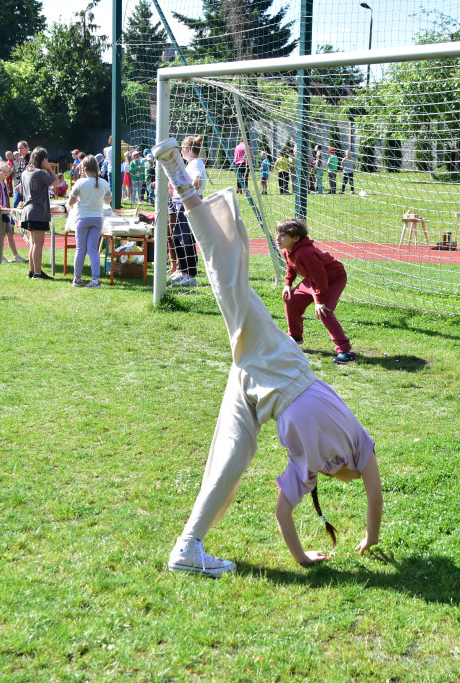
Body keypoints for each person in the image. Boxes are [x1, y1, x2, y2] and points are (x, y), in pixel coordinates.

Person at [151, 138, 383, 576]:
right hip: (274, 360)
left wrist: (302, 556)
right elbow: (374, 493)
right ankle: (179, 179)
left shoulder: (312, 468)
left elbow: (285, 512)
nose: (350, 480)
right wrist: (370, 536)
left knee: (232, 458)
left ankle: (187, 547)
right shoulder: (357, 447)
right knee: (229, 279)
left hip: (256, 385)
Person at [277, 218, 356, 364]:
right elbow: (290, 266)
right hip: (313, 280)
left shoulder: (305, 253)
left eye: (282, 235)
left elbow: (321, 278)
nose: (277, 238)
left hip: (333, 279)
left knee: (324, 311)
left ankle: (345, 351)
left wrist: (319, 301)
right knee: (291, 301)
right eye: (277, 234)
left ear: (295, 238)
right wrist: (288, 283)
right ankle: (295, 338)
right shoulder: (287, 250)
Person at [67, 155, 112, 289]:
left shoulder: (80, 183)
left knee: (80, 249)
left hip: (82, 218)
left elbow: (71, 201)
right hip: (97, 218)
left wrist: (79, 201)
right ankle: (95, 280)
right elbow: (109, 199)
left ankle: (77, 278)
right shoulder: (103, 182)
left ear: (84, 169)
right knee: (93, 250)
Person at [167, 134, 205, 287]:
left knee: (186, 238)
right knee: (177, 235)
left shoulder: (196, 163)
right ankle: (182, 272)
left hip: (187, 203)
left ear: (189, 150)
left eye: (183, 148)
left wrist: (186, 191)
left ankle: (191, 275)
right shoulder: (190, 164)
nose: (181, 151)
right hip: (179, 202)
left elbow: (197, 181)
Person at [20, 146, 61, 279]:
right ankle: (38, 273)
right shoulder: (39, 173)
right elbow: (57, 183)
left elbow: (20, 190)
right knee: (38, 243)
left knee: (32, 243)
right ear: (43, 160)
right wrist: (49, 168)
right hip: (37, 211)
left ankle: (32, 271)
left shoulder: (25, 172)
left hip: (27, 211)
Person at [0, 161, 25, 265]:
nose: (6, 173)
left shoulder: (3, 183)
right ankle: (0, 257)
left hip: (4, 211)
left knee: (9, 232)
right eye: (3, 171)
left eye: (7, 171)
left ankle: (16, 256)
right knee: (2, 233)